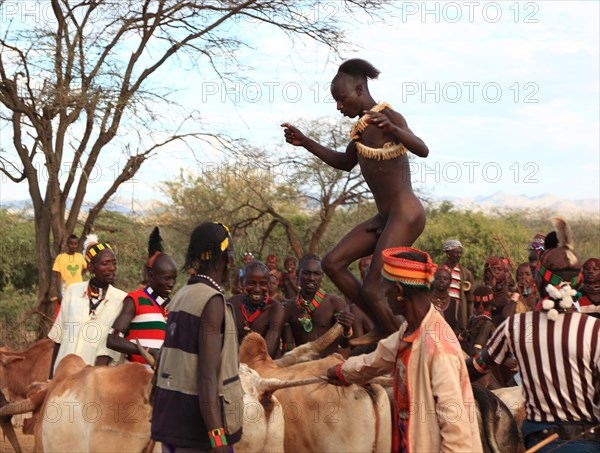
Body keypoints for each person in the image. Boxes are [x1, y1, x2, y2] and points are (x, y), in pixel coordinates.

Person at [282, 58, 429, 336]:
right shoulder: (361, 132)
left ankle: (399, 342)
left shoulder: (389, 117)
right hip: (385, 218)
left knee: (374, 288)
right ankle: (383, 326)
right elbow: (344, 162)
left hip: (405, 214)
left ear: (359, 89)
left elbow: (423, 149)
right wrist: (306, 142)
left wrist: (394, 129)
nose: (338, 106)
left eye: (341, 98)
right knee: (332, 263)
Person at [327, 247, 482, 453]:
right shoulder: (410, 329)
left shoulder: (437, 347)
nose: (384, 296)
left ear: (399, 291)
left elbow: (455, 429)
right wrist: (341, 371)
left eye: (386, 289)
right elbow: (377, 359)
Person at [468, 218, 600, 452]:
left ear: (539, 280)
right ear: (579, 282)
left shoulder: (515, 326)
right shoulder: (594, 330)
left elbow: (476, 368)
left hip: (541, 443)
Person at [152, 222, 243, 452]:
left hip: (172, 423)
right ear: (227, 258)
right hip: (198, 432)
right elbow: (207, 376)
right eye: (231, 254)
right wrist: (218, 437)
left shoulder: (183, 294)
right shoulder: (211, 301)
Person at [47, 235, 126, 378]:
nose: (111, 268)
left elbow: (112, 349)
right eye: (105, 263)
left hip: (95, 382)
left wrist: (91, 380)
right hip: (63, 377)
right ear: (91, 268)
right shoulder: (73, 291)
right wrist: (51, 377)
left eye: (114, 263)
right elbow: (59, 338)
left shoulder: (121, 300)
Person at [106, 227, 177, 367]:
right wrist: (148, 351)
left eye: (174, 279)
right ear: (150, 276)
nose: (171, 284)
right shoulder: (136, 299)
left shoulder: (173, 307)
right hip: (135, 379)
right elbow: (112, 340)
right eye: (167, 279)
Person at [281, 254, 354, 355]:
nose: (311, 278)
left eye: (317, 274)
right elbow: (288, 347)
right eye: (306, 273)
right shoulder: (289, 307)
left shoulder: (335, 303)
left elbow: (344, 344)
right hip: (301, 366)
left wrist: (347, 329)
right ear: (298, 274)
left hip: (328, 365)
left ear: (322, 276)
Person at [228, 261, 285, 358]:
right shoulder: (232, 304)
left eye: (263, 284)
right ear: (242, 282)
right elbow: (226, 343)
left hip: (264, 368)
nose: (257, 289)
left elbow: (267, 353)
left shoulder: (275, 309)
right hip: (233, 364)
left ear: (268, 285)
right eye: (251, 283)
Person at [441, 240, 474, 333]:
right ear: (447, 253)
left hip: (458, 312)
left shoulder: (466, 273)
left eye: (460, 252)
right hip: (441, 309)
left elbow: (470, 299)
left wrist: (470, 318)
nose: (459, 255)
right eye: (456, 252)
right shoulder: (438, 270)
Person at [458, 285, 496, 357]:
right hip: (480, 365)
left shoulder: (472, 319)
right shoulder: (487, 324)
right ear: (491, 304)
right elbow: (476, 350)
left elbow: (460, 340)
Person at [51, 234, 87, 307]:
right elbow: (58, 276)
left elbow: (86, 268)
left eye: (75, 244)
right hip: (66, 291)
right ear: (67, 244)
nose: (73, 246)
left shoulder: (79, 256)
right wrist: (59, 294)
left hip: (79, 290)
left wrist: (79, 274)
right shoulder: (60, 257)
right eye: (71, 244)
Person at [483, 256, 519, 326]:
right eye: (493, 269)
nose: (496, 272)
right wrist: (490, 286)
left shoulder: (512, 291)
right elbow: (484, 313)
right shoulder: (484, 290)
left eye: (499, 269)